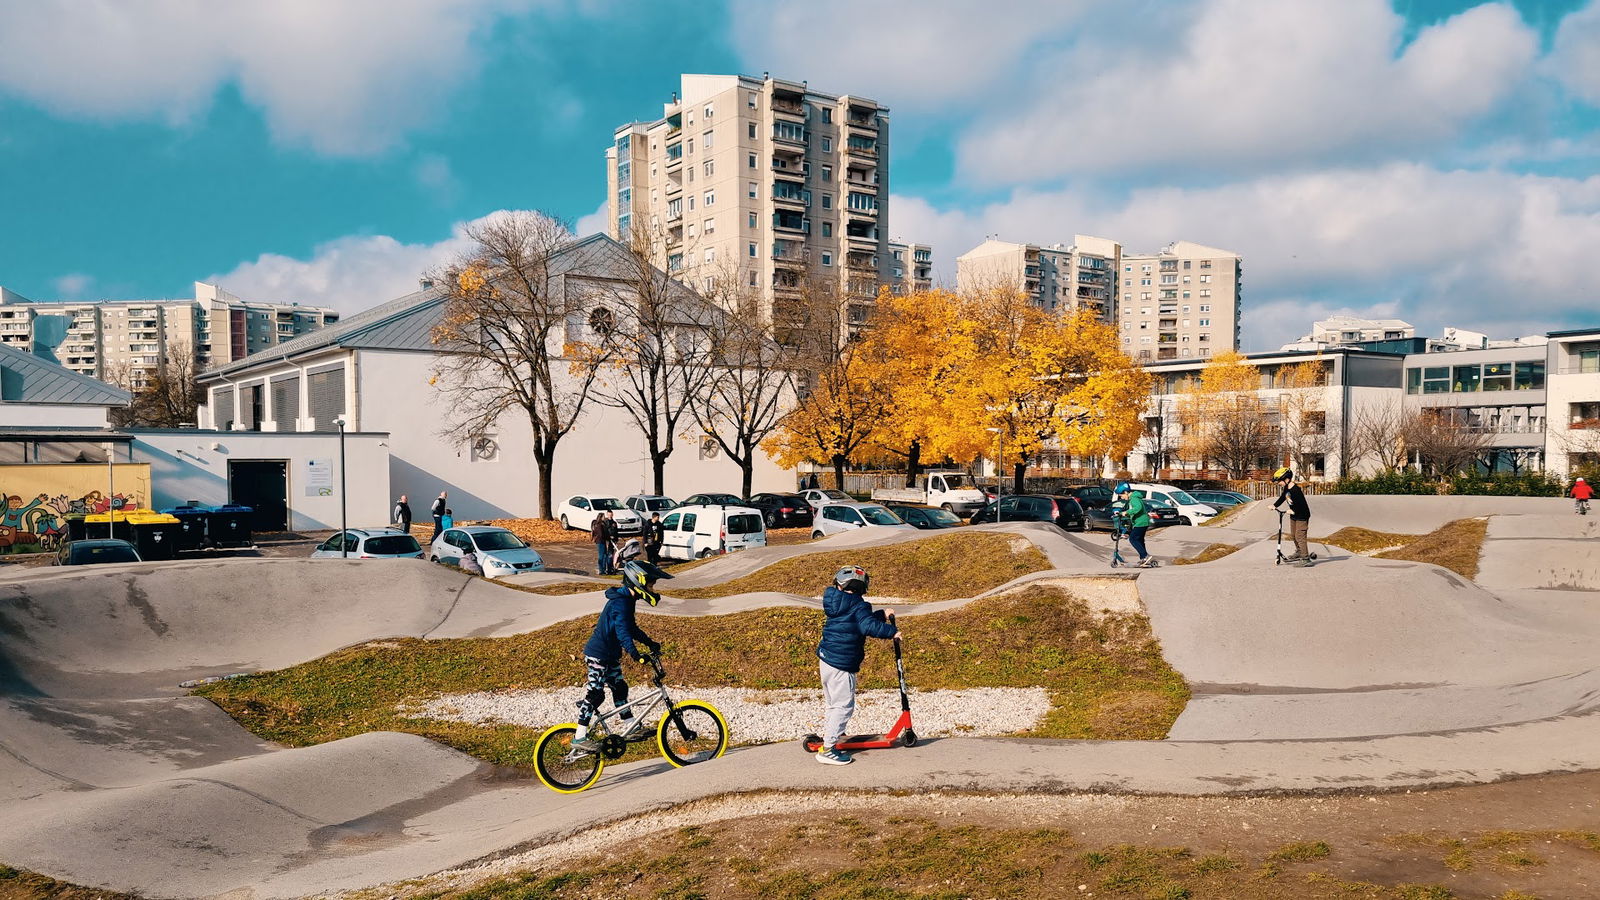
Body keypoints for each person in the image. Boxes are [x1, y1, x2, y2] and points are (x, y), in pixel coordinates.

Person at [572, 560, 669, 751]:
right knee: (596, 693)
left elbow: (631, 628)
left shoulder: (627, 600)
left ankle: (629, 725)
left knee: (620, 688)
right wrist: (635, 654)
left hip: (610, 656)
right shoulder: (620, 602)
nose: (652, 588)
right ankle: (579, 736)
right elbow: (622, 632)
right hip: (598, 655)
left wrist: (649, 643)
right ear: (638, 582)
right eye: (650, 584)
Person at [814, 565, 899, 766]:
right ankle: (828, 749)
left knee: (833, 703)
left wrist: (880, 615)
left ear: (839, 585)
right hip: (843, 663)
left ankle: (833, 734)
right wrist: (891, 632)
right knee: (844, 706)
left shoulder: (836, 602)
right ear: (862, 589)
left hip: (826, 660)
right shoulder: (859, 605)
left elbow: (855, 620)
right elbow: (866, 625)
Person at [1272, 467, 1312, 566]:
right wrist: (1275, 505)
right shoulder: (1286, 488)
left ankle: (1305, 558)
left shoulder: (1295, 490)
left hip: (1302, 515)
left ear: (1287, 479)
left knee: (1300, 536)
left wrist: (1293, 510)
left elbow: (1301, 505)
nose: (1278, 483)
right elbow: (1282, 497)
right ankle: (1299, 552)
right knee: (1293, 535)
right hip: (1294, 515)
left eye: (1279, 481)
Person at [1114, 482, 1154, 568]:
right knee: (1139, 540)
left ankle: (1145, 556)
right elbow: (1133, 511)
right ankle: (1144, 559)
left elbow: (1138, 508)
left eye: (1121, 495)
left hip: (1141, 522)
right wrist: (1121, 513)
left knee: (1133, 539)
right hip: (1141, 522)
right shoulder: (1133, 498)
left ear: (1125, 492)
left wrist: (1127, 512)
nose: (1122, 497)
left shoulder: (1134, 498)